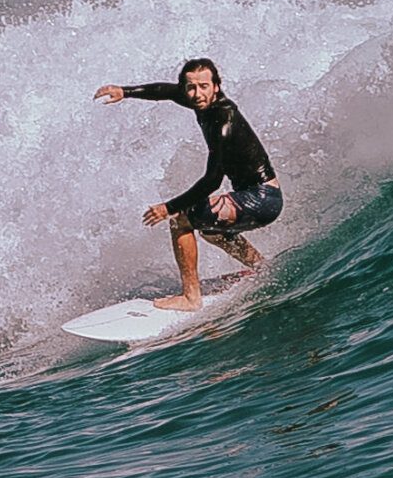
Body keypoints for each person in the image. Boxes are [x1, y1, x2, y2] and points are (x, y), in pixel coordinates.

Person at [94, 59, 282, 310]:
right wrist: (125, 92)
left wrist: (169, 207)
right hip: (256, 195)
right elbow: (165, 92)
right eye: (191, 87)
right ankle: (262, 267)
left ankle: (191, 297)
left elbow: (213, 180)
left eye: (204, 86)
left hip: (263, 198)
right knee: (211, 231)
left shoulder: (223, 119)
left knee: (181, 219)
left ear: (216, 86)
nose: (197, 94)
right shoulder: (198, 101)